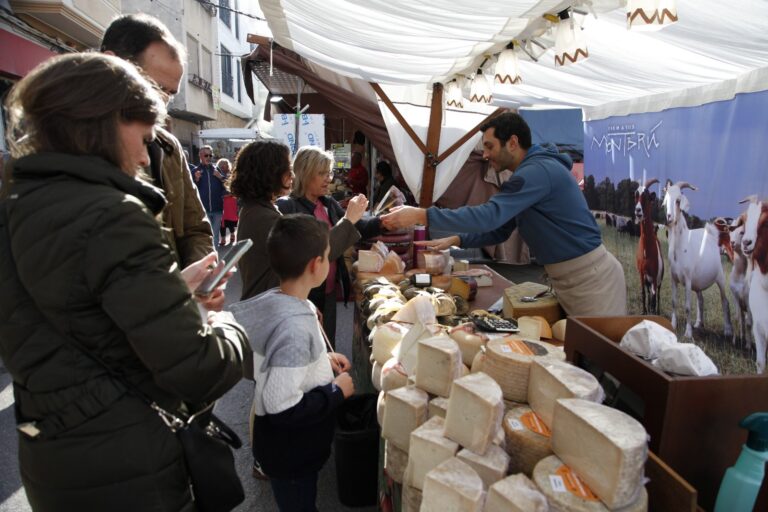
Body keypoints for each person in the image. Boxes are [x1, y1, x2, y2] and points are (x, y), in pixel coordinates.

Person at [0, 53, 250, 512]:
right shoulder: (112, 215)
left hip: (56, 457)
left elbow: (78, 317)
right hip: (130, 463)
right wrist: (231, 324)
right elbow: (199, 367)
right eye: (142, 137)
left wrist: (172, 289)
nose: (142, 156)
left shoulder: (16, 203)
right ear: (102, 126)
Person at [381, 112, 627, 316]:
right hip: (569, 279)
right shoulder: (531, 172)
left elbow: (490, 215)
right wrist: (458, 240)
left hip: (591, 280)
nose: (485, 155)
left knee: (596, 362)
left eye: (489, 146)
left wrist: (423, 215)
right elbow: (501, 229)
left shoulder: (536, 172)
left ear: (512, 142)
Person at [229, 214, 354, 512]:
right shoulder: (294, 328)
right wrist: (336, 392)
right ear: (316, 265)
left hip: (287, 447)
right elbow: (281, 405)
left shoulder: (285, 302)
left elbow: (281, 362)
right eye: (327, 255)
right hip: (292, 452)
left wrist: (320, 361)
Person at [101, 13, 214, 268]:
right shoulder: (62, 145)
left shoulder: (169, 147)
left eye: (170, 93)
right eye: (153, 85)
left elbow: (196, 228)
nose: (162, 100)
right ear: (111, 65)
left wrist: (200, 276)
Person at [234, 141, 368, 302]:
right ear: (269, 173)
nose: (292, 175)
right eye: (287, 169)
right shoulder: (263, 217)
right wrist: (348, 220)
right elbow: (312, 256)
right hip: (272, 308)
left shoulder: (257, 210)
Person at [277, 146, 381, 345]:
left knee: (327, 345)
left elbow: (359, 228)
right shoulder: (288, 207)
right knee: (305, 347)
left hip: (329, 291)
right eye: (322, 173)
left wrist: (385, 221)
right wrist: (349, 220)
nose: (329, 179)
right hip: (304, 294)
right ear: (305, 173)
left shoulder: (328, 203)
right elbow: (311, 253)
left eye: (329, 173)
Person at [192, 144, 228, 246]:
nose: (208, 158)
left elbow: (226, 186)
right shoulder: (195, 171)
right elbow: (190, 190)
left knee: (215, 235)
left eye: (210, 155)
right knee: (205, 235)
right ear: (200, 156)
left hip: (217, 209)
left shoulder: (217, 170)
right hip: (203, 210)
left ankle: (214, 259)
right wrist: (196, 180)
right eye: (206, 155)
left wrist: (220, 176)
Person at [218, 158, 238, 246]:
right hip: (221, 201)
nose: (223, 166)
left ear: (228, 165)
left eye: (224, 164)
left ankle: (232, 233)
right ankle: (222, 238)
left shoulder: (231, 175)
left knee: (228, 220)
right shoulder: (216, 174)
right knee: (221, 220)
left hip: (230, 201)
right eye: (221, 164)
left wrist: (228, 194)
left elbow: (233, 187)